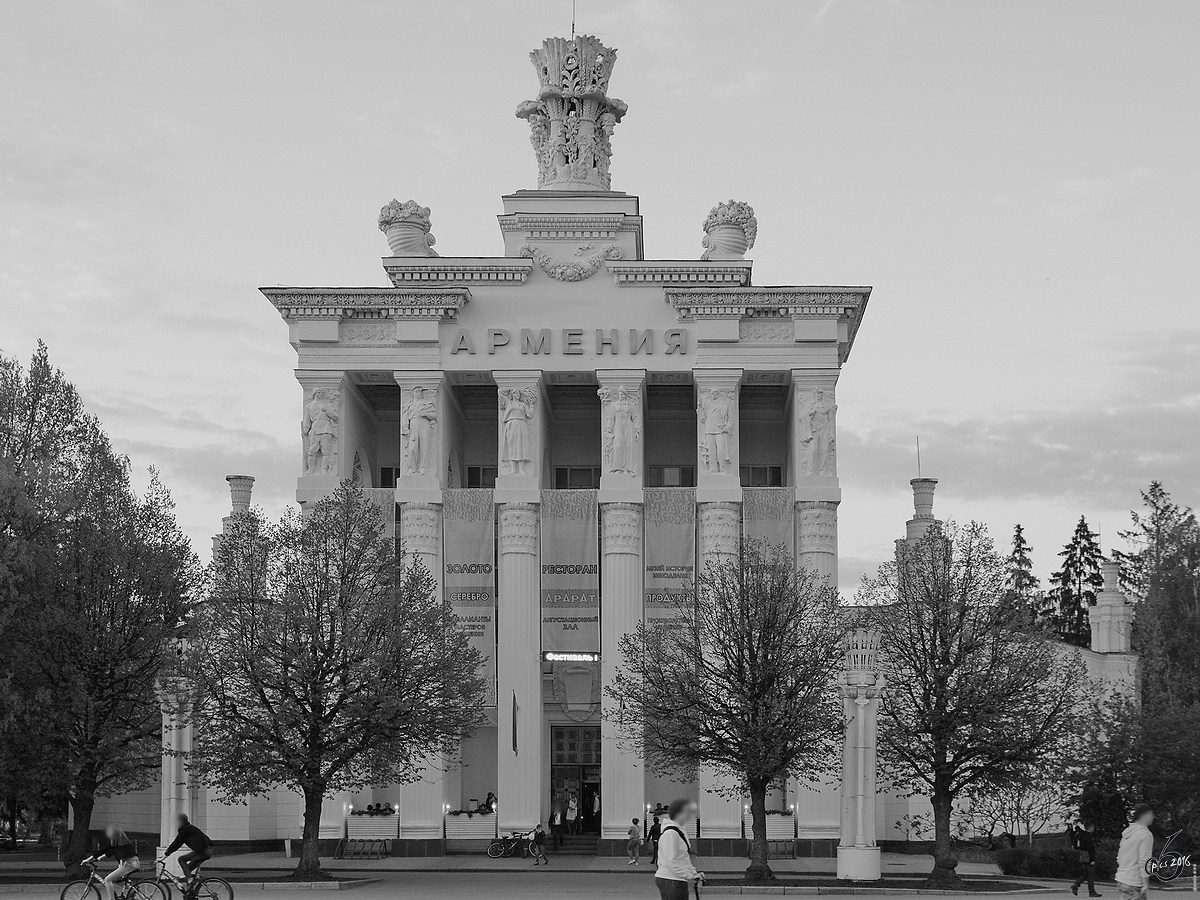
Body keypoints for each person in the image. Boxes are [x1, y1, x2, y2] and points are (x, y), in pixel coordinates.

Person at [655, 799, 704, 900]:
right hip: (670, 880)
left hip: (677, 880)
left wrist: (694, 873)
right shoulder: (671, 834)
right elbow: (670, 861)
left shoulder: (679, 831)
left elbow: (684, 857)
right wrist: (689, 875)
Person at [83, 825, 139, 900]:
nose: (107, 833)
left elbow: (102, 850)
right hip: (133, 863)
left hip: (128, 864)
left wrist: (87, 859)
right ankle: (132, 888)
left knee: (107, 880)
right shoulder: (123, 842)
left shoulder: (115, 842)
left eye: (109, 832)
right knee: (116, 879)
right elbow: (111, 851)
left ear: (114, 833)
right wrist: (99, 858)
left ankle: (111, 898)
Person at [160, 813, 213, 889]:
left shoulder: (184, 829)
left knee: (181, 859)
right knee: (188, 870)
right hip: (207, 850)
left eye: (176, 821)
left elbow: (177, 843)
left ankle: (190, 880)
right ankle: (190, 894)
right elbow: (178, 843)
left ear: (180, 821)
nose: (175, 823)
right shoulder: (189, 828)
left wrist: (165, 855)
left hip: (204, 851)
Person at [1115, 805, 1155, 900]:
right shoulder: (1145, 834)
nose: (1153, 816)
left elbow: (1119, 857)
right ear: (1144, 815)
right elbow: (1144, 861)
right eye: (1151, 814)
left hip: (1122, 879)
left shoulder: (1127, 833)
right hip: (1134, 881)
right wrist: (1145, 883)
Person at [1071, 821, 1102, 897]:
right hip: (1088, 857)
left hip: (1082, 856)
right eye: (1093, 827)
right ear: (1090, 828)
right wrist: (1092, 859)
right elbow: (1090, 848)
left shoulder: (1081, 835)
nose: (1094, 829)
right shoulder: (1088, 836)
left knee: (1086, 873)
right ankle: (1091, 891)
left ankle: (1076, 884)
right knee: (1090, 874)